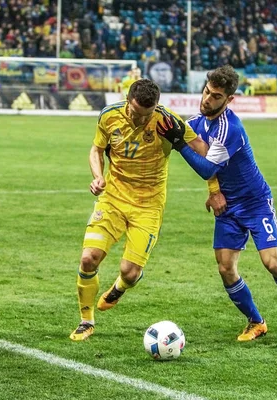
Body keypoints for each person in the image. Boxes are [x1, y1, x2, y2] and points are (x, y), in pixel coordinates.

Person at [156, 65, 277, 341]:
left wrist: (179, 143)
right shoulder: (196, 122)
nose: (208, 98)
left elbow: (207, 167)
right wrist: (214, 192)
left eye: (216, 96)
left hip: (255, 202)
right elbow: (205, 161)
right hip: (228, 207)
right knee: (225, 267)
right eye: (207, 91)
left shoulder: (229, 129)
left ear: (229, 100)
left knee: (272, 263)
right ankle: (256, 322)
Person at [70, 78, 218, 341]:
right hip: (113, 199)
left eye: (147, 115)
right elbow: (96, 149)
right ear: (129, 102)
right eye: (137, 114)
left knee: (130, 272)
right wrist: (98, 176)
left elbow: (205, 151)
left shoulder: (168, 121)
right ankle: (86, 321)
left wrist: (214, 189)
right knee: (88, 258)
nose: (141, 120)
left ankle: (119, 287)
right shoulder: (109, 116)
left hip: (148, 206)